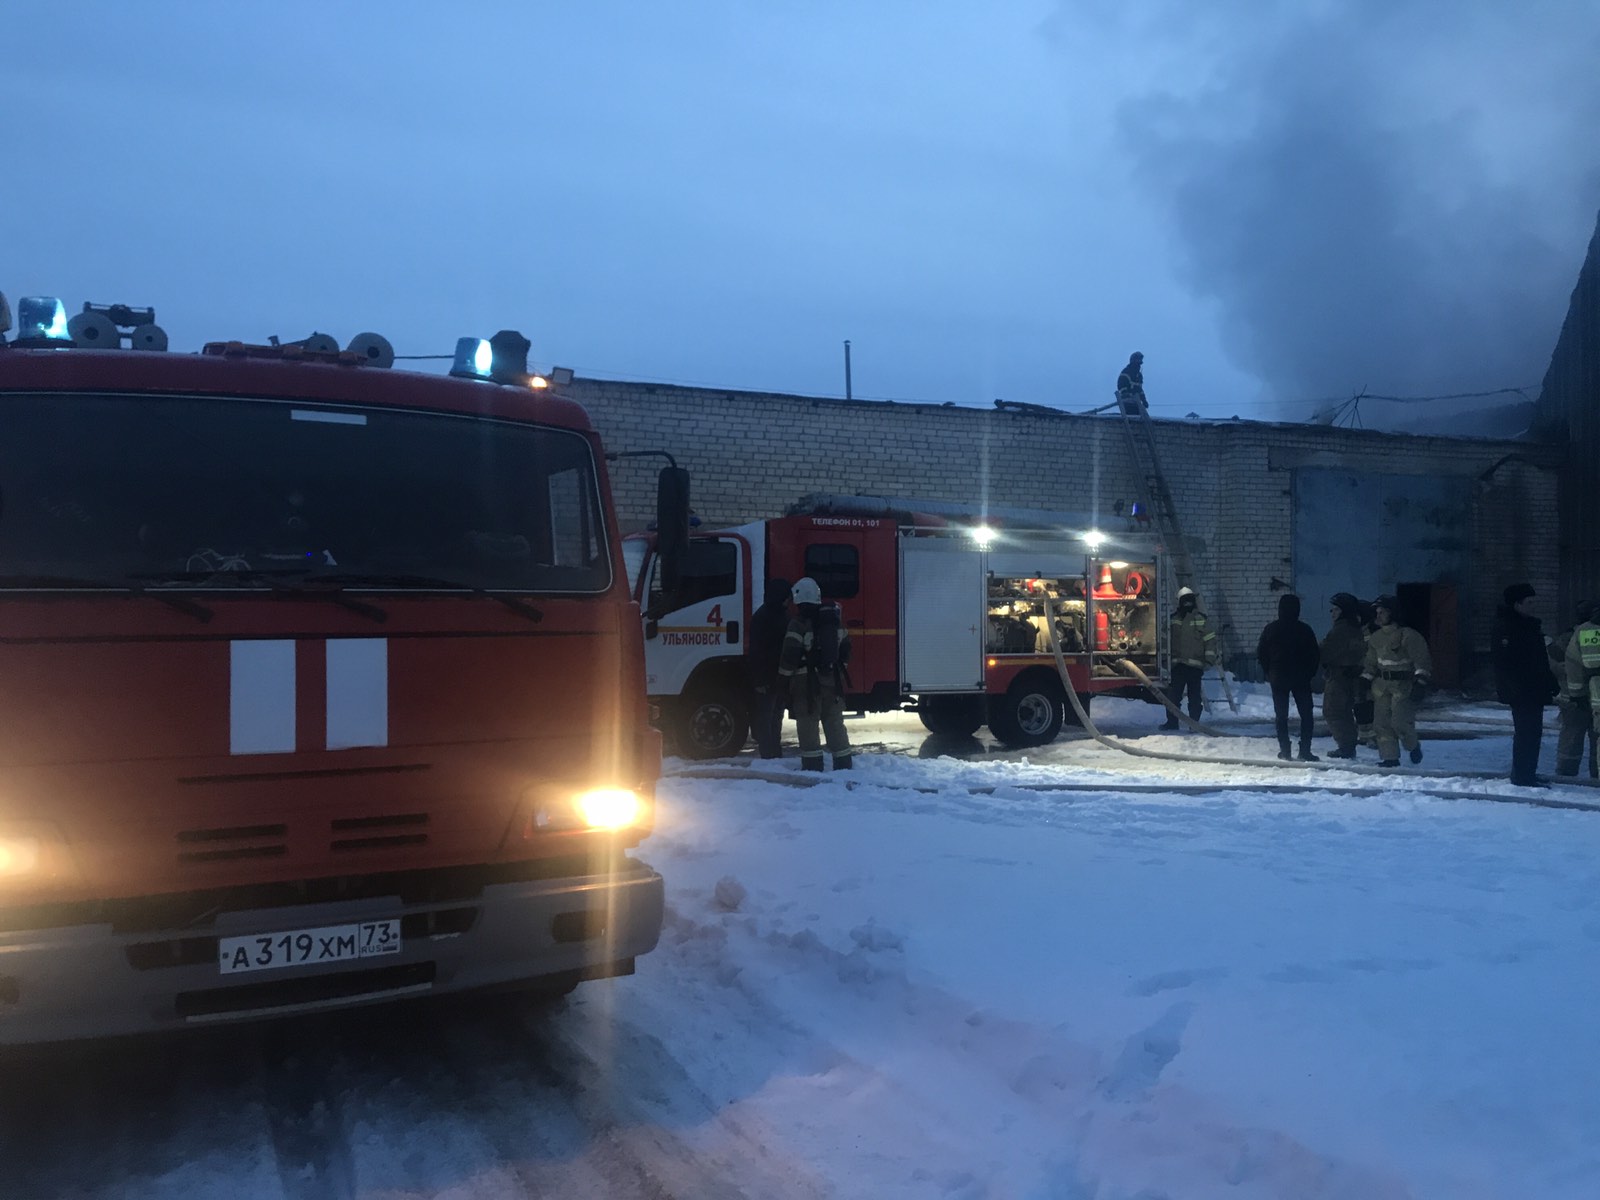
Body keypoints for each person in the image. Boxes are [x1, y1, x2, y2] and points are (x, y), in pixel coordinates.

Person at [779, 576, 854, 771]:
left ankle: (812, 767)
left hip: (806, 684)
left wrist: (783, 681)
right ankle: (844, 763)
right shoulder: (834, 621)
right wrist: (834, 665)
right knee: (834, 722)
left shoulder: (798, 624)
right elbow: (846, 648)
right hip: (832, 679)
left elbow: (790, 655)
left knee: (808, 723)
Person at [1492, 582, 1559, 787]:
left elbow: (1538, 660)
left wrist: (1550, 681)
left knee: (1533, 733)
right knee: (1526, 733)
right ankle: (1522, 775)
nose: (1533, 606)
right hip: (1522, 692)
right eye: (1529, 602)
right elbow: (1505, 663)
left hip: (1533, 689)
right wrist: (1515, 689)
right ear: (1516, 604)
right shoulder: (1508, 628)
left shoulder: (1528, 626)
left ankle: (1528, 772)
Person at [1361, 594, 1432, 768]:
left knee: (1399, 722)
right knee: (1382, 724)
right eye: (1377, 612)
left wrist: (1420, 682)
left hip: (1403, 686)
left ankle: (1412, 746)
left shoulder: (1408, 636)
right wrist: (1364, 680)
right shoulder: (1376, 638)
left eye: (1382, 612)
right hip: (1381, 686)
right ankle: (1390, 757)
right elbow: (1370, 663)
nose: (1378, 616)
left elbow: (1422, 660)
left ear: (1393, 613)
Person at [1256, 593, 1321, 760]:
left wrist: (1269, 672)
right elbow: (1315, 654)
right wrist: (1309, 673)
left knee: (1281, 716)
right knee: (1306, 714)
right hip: (1301, 677)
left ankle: (1285, 750)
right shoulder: (1305, 629)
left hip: (1279, 676)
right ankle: (1305, 750)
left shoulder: (1271, 629)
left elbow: (1261, 653)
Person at [747, 577, 792, 759]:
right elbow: (759, 652)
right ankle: (770, 753)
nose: (790, 600)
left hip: (771, 676)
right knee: (770, 716)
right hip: (772, 675)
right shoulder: (778, 617)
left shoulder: (764, 615)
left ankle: (772, 751)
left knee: (771, 714)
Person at [1550, 600, 1597, 777]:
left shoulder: (1568, 637)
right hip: (1592, 697)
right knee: (1596, 737)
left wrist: (1562, 674)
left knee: (1571, 738)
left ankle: (1565, 773)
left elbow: (1553, 660)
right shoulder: (1584, 634)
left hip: (1571, 697)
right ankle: (1596, 773)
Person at [1159, 586, 1217, 729]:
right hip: (1177, 665)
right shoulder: (1172, 620)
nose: (1187, 604)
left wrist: (1209, 660)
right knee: (1173, 697)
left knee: (1195, 698)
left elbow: (1210, 640)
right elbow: (1164, 639)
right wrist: (1164, 659)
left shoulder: (1201, 620)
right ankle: (1172, 722)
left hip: (1194, 667)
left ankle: (1194, 723)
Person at [1319, 592, 1367, 759]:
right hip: (1351, 674)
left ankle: (1346, 746)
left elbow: (1325, 652)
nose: (1332, 613)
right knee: (1345, 711)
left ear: (1344, 611)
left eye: (1335, 609)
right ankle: (1348, 745)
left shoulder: (1341, 630)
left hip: (1339, 675)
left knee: (1333, 711)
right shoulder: (1355, 628)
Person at [1564, 604, 1600, 778]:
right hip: (1584, 696)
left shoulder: (1583, 631)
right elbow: (1594, 665)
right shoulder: (1591, 632)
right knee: (1575, 737)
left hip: (1582, 694)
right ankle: (1567, 774)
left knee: (1576, 737)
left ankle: (1570, 773)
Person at [1353, 598, 1380, 748]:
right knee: (1359, 704)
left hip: (1371, 674)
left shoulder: (1373, 632)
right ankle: (1364, 734)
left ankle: (1373, 737)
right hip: (1359, 673)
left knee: (1370, 705)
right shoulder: (1358, 630)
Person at [1116, 352, 1147, 416]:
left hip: (1137, 402)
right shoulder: (1126, 372)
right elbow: (1121, 386)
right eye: (1137, 363)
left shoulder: (1139, 375)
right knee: (1131, 417)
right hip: (1127, 402)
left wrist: (1144, 400)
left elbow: (1140, 390)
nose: (1139, 365)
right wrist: (1128, 395)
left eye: (1140, 363)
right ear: (1133, 362)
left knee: (1141, 417)